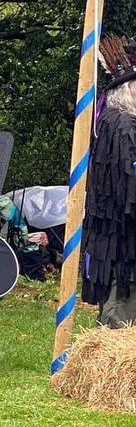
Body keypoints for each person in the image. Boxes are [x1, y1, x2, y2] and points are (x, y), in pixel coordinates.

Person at [84, 34, 136, 327]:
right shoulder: (122, 127)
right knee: (121, 316)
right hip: (122, 242)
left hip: (122, 241)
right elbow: (128, 185)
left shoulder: (120, 122)